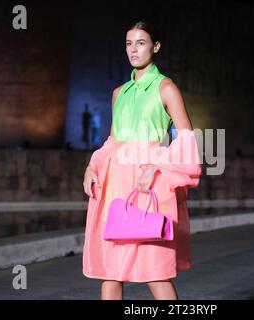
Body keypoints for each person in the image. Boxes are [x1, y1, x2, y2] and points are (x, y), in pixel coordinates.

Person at [81, 21, 202, 300]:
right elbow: (113, 140)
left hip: (150, 188)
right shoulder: (118, 93)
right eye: (128, 43)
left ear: (155, 46)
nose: (133, 50)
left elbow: (186, 139)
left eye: (140, 43)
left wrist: (157, 166)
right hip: (116, 187)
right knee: (110, 273)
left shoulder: (166, 88)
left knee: (156, 273)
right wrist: (92, 166)